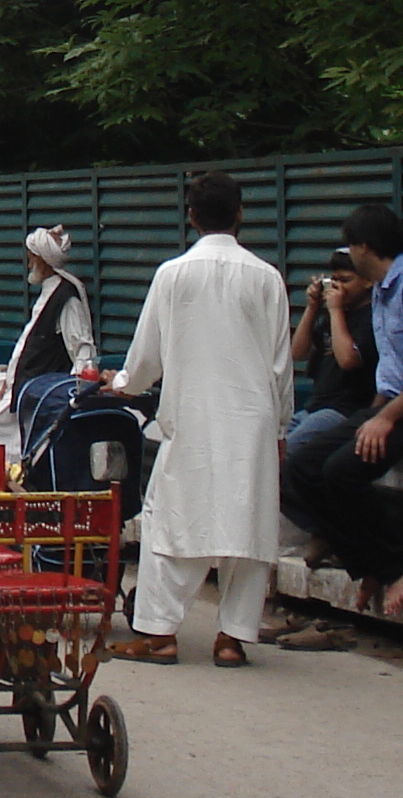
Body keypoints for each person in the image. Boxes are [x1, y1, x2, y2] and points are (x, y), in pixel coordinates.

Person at [103, 171, 294, 668]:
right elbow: (281, 366)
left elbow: (147, 358)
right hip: (252, 420)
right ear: (240, 214)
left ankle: (160, 634)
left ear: (191, 216)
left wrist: (122, 383)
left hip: (191, 418)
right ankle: (232, 639)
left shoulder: (173, 275)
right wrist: (280, 429)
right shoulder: (267, 277)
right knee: (247, 526)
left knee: (172, 522)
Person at [280, 203, 403, 620]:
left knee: (341, 471)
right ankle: (367, 562)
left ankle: (400, 565)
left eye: (351, 248)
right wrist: (372, 416)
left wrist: (385, 419)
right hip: (390, 407)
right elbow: (391, 370)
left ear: (365, 247)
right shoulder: (384, 291)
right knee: (302, 465)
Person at [267, 249, 378, 650]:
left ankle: (326, 530)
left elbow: (349, 361)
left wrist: (336, 312)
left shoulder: (370, 318)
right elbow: (296, 354)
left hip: (346, 413)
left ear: (366, 281)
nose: (338, 288)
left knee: (294, 452)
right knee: (266, 458)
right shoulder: (328, 315)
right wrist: (313, 310)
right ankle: (323, 528)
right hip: (315, 407)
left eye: (346, 281)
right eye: (334, 280)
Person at [0, 226, 98, 457]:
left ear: (42, 260)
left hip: (36, 389)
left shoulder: (66, 298)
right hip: (19, 381)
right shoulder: (48, 292)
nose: (29, 265)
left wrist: (83, 391)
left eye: (31, 259)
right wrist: (10, 377)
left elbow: (81, 347)